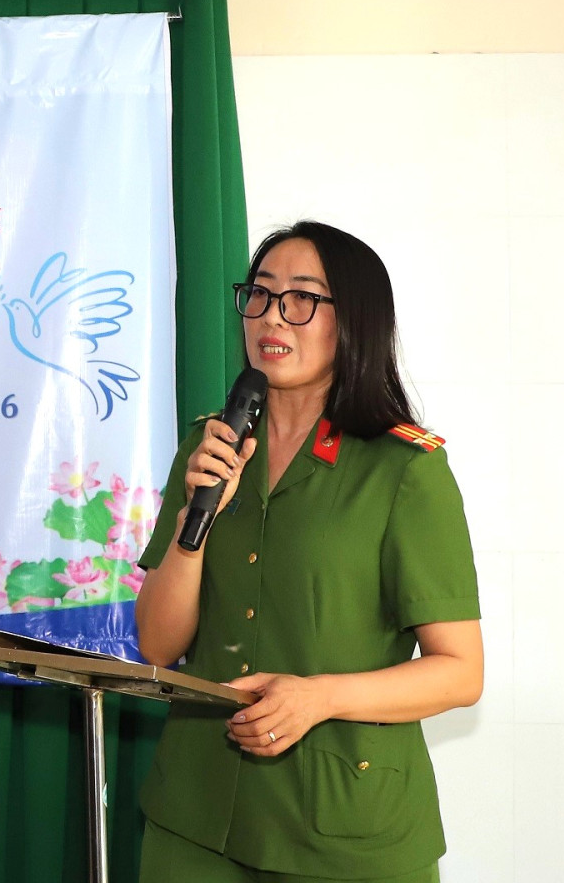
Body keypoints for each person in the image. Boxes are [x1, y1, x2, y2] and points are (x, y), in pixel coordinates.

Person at [133, 222, 482, 883]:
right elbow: (157, 643)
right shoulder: (210, 447)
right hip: (196, 814)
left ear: (353, 321)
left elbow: (461, 673)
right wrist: (191, 525)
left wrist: (317, 698)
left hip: (342, 826)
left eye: (301, 298)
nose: (273, 316)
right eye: (260, 295)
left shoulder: (404, 469)